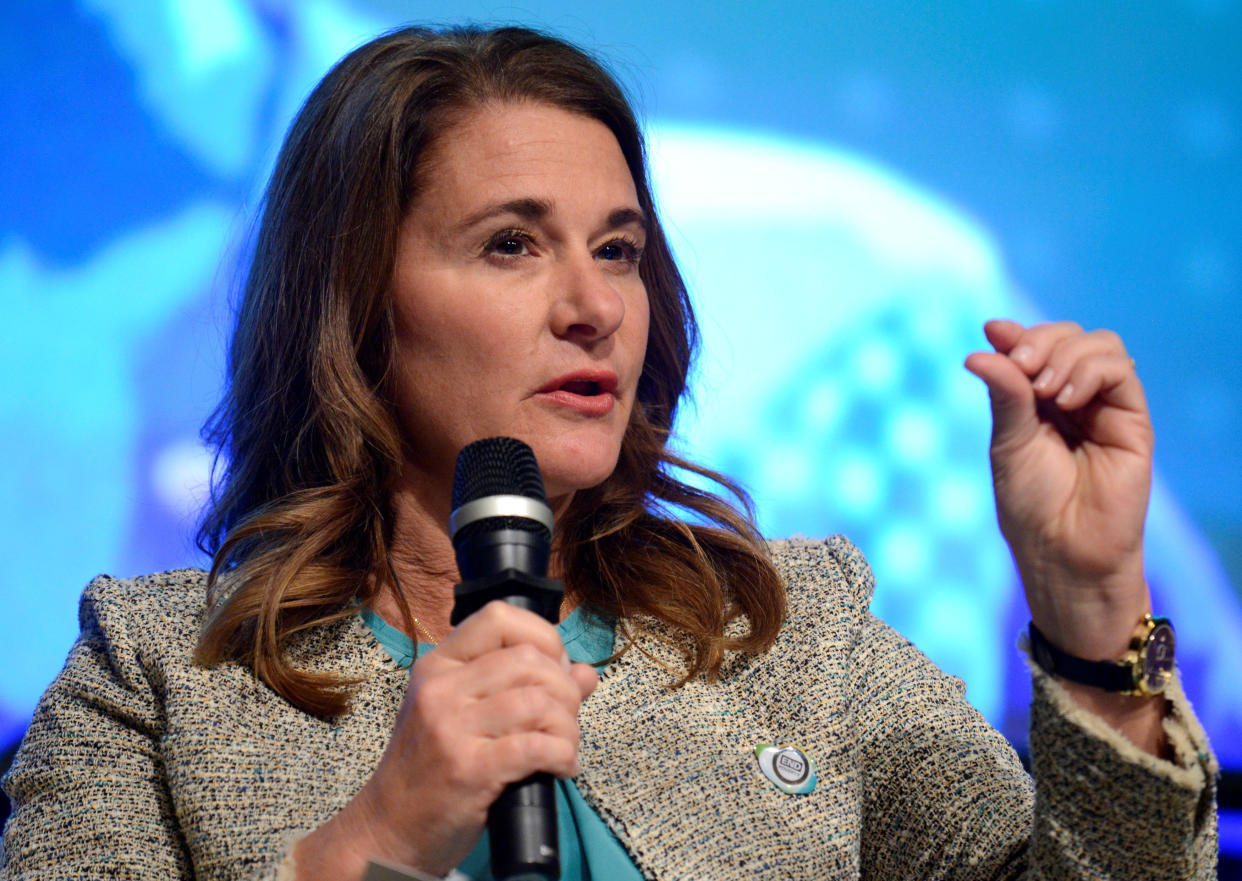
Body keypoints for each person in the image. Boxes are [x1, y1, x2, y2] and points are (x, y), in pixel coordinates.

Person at [0, 24, 1218, 881]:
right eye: (512, 246)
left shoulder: (786, 631)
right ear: (357, 305)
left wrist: (1089, 603)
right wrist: (373, 842)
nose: (595, 307)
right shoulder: (159, 674)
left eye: (621, 249)